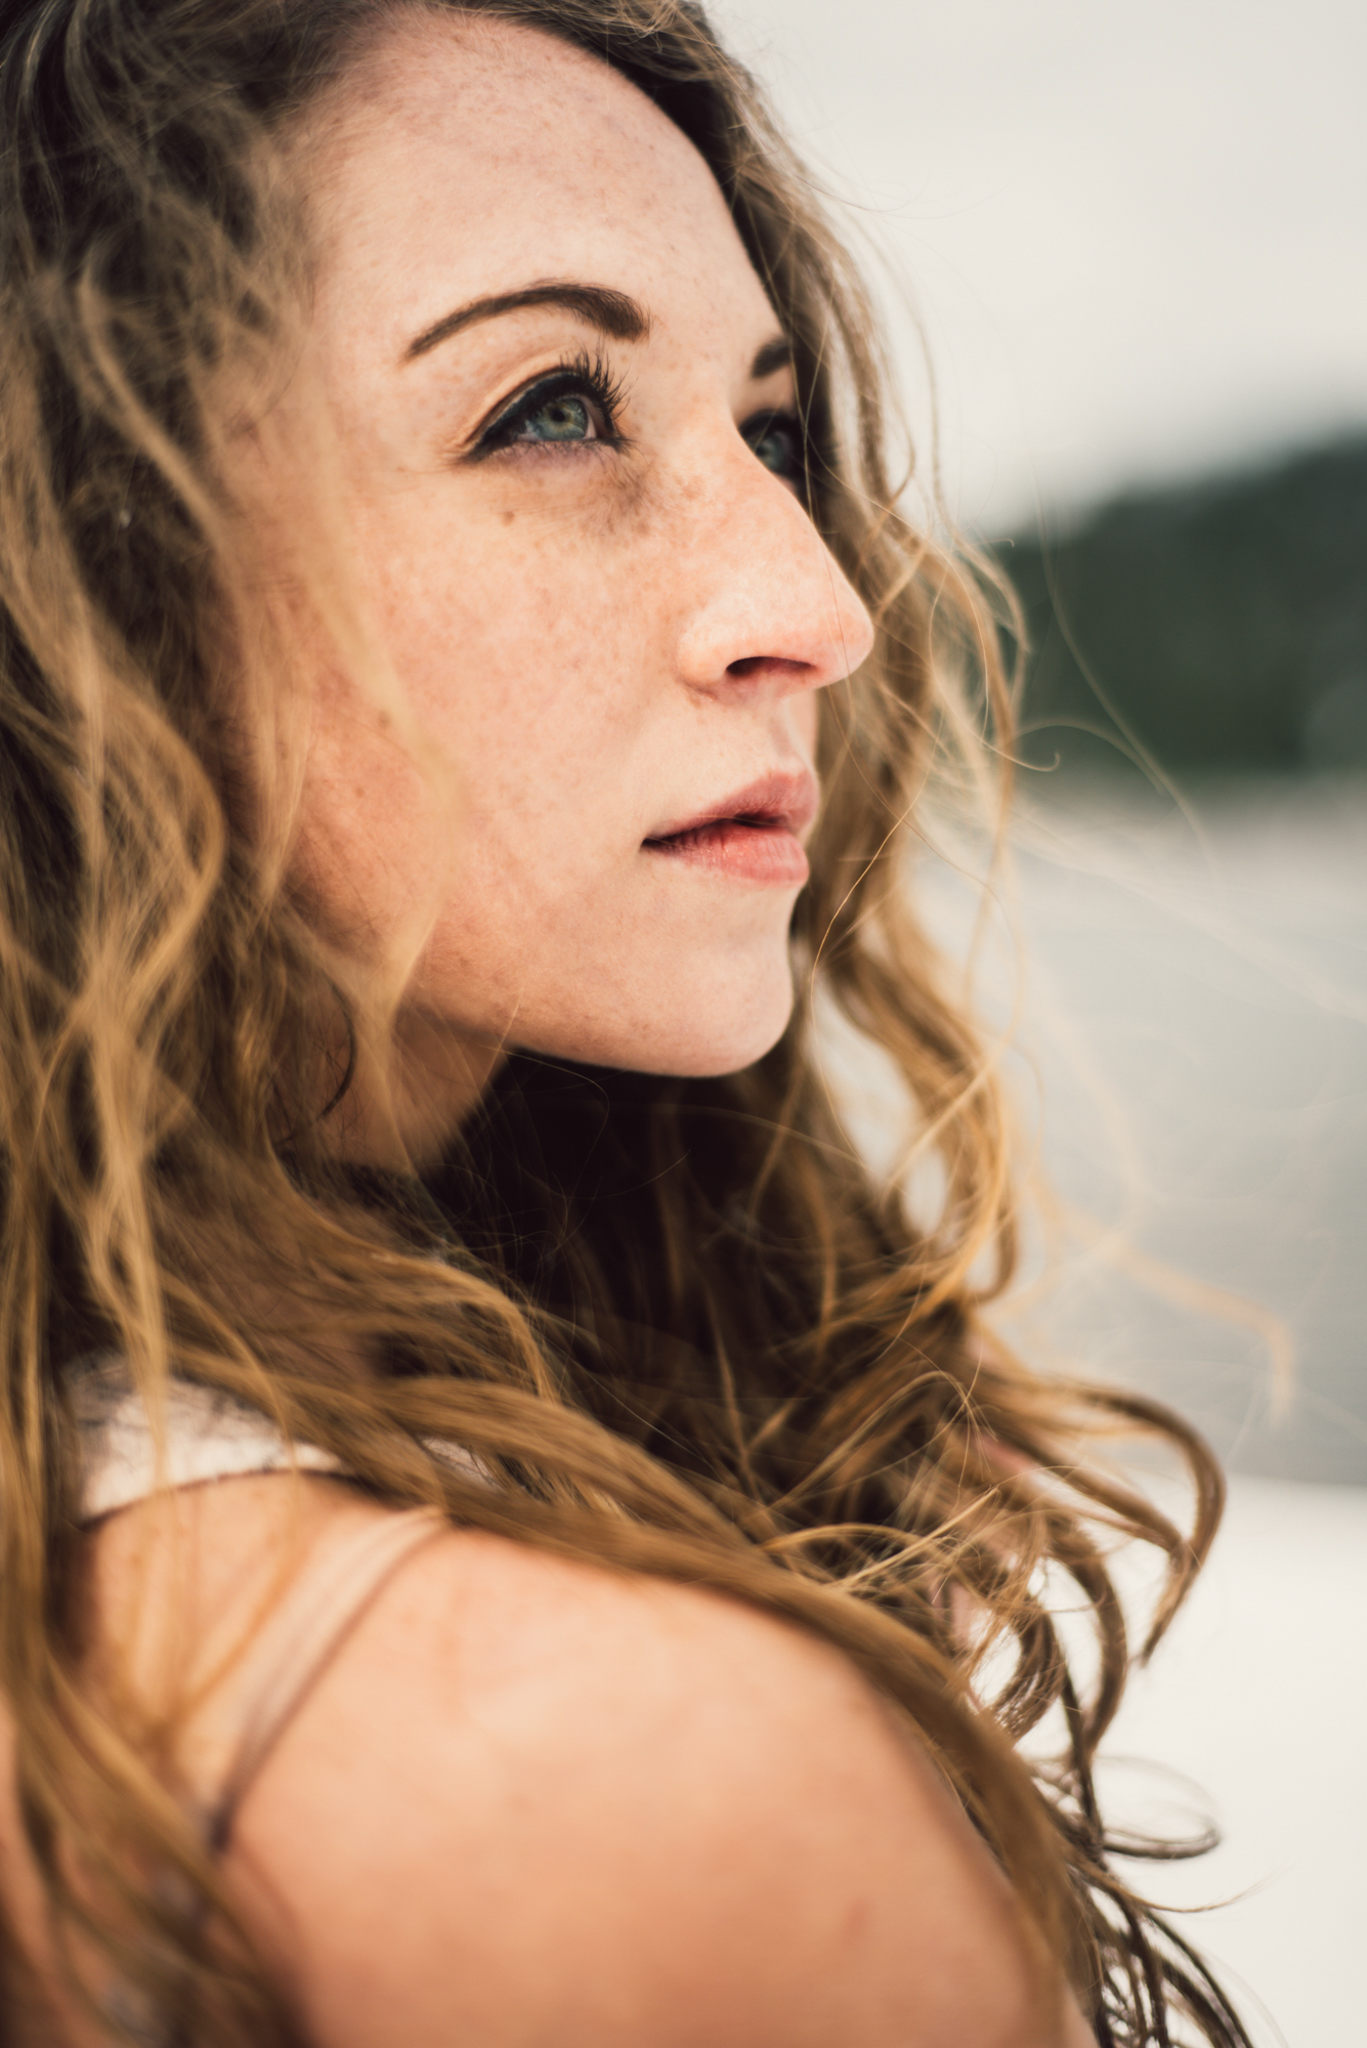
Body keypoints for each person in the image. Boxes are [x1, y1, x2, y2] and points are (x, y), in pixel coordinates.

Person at [0, 1, 1252, 2042]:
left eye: (768, 428)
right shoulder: (636, 1804)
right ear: (89, 578)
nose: (817, 603)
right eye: (552, 412)